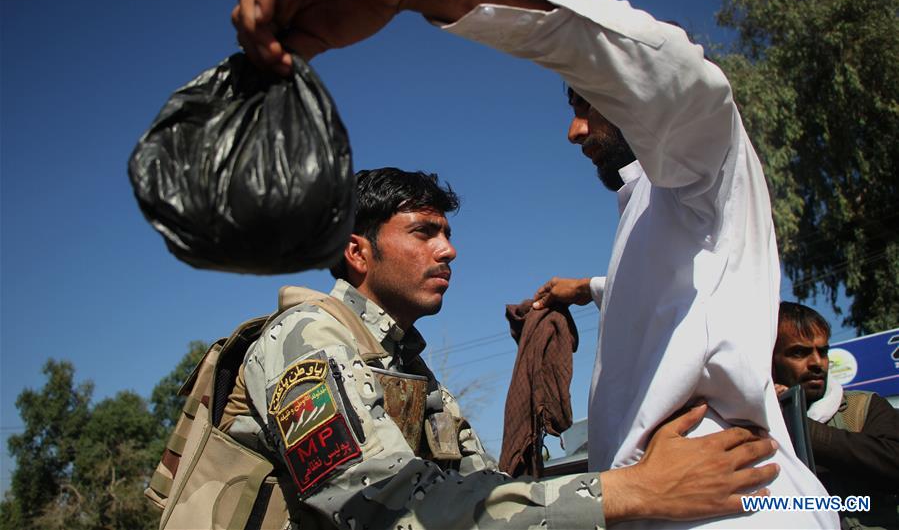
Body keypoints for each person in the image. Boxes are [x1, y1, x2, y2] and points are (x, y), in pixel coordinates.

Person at [220, 166, 778, 529]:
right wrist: (631, 491)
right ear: (358, 252)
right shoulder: (307, 340)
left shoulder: (403, 365)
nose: (449, 251)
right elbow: (383, 507)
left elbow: (484, 487)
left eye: (448, 233)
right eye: (423, 232)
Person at [773, 301, 899, 529]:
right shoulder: (751, 419)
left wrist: (796, 425)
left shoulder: (863, 406)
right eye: (799, 353)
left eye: (822, 352)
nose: (817, 363)